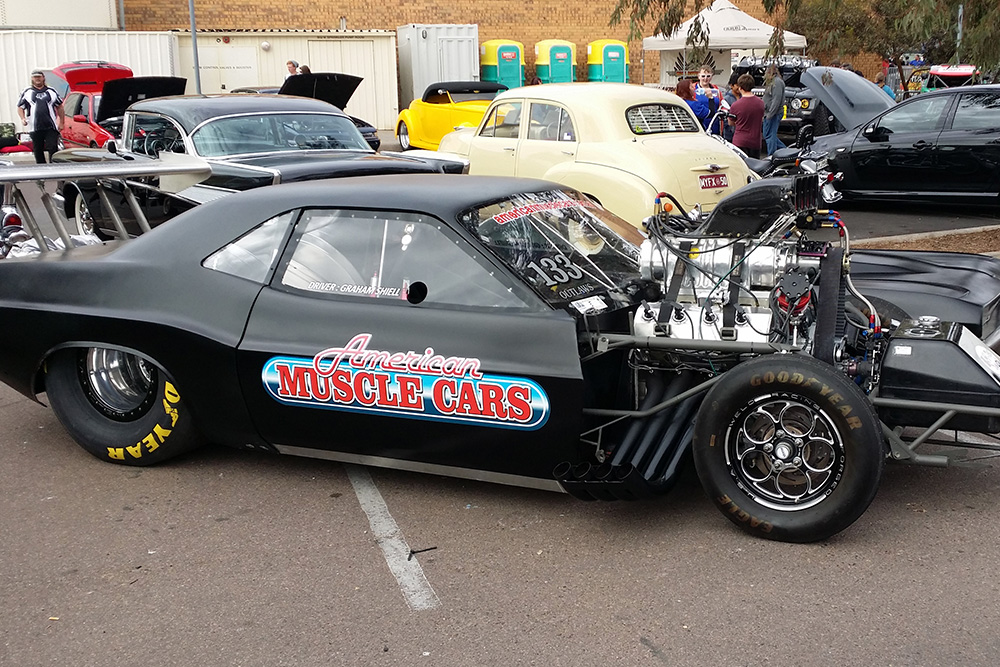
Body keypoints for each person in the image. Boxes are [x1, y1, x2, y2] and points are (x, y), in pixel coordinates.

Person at [16, 69, 64, 164]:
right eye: (35, 77)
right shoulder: (27, 92)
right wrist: (23, 118)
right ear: (32, 79)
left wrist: (61, 122)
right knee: (38, 149)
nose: (37, 79)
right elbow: (20, 107)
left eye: (39, 77)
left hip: (51, 126)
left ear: (43, 78)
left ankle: (54, 167)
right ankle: (41, 168)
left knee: (52, 147)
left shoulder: (51, 91)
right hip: (35, 127)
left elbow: (60, 107)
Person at [728, 73, 764, 158]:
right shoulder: (761, 103)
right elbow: (761, 119)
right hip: (755, 141)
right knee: (755, 165)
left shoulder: (736, 105)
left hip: (740, 141)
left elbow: (730, 123)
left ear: (740, 88)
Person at [761, 64, 786, 156]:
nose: (765, 73)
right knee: (768, 135)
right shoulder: (772, 82)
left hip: (773, 114)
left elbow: (776, 100)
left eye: (766, 70)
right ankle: (786, 151)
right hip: (768, 113)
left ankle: (771, 155)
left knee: (770, 136)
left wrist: (770, 115)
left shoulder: (777, 83)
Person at [695, 66, 727, 135]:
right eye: (703, 76)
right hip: (698, 124)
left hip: (714, 124)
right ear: (698, 76)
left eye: (708, 76)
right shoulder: (693, 88)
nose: (705, 78)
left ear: (712, 76)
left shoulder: (716, 89)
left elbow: (722, 103)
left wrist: (724, 110)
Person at [722, 72, 740, 143]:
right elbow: (725, 118)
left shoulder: (743, 97)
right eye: (737, 85)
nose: (739, 88)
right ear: (731, 85)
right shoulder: (726, 99)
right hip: (729, 134)